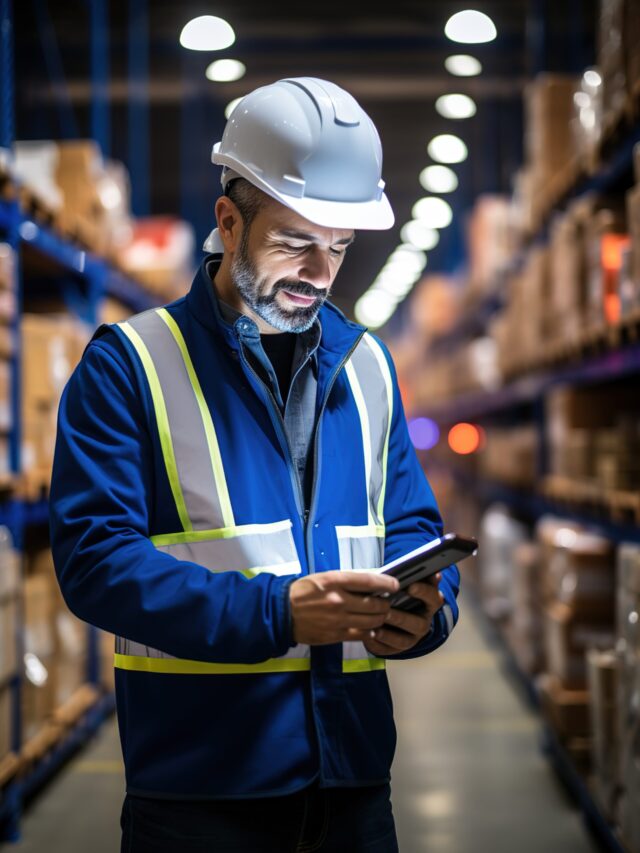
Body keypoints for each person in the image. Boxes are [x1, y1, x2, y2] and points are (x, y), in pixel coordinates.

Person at [49, 77, 460, 853]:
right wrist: (277, 614)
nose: (319, 272)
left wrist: (427, 614)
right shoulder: (130, 366)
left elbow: (411, 523)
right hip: (203, 791)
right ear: (229, 221)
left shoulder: (367, 365)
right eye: (295, 241)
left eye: (338, 248)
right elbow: (95, 561)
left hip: (355, 784)